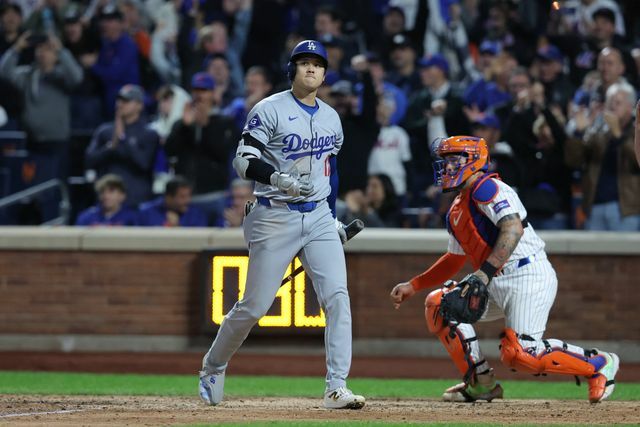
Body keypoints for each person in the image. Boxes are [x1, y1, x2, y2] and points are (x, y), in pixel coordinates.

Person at [389, 135, 619, 403]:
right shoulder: (455, 209)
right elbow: (454, 259)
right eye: (446, 161)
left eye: (454, 160)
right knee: (438, 304)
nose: (448, 167)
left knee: (520, 354)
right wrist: (414, 285)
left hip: (527, 274)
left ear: (474, 160)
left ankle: (598, 363)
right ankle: (481, 384)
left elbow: (513, 228)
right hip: (493, 279)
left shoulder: (489, 188)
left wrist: (483, 274)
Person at [199, 39, 365, 410]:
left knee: (338, 298)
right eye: (304, 62)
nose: (311, 69)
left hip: (318, 215)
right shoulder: (269, 108)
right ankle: (213, 365)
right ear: (292, 69)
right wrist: (277, 178)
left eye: (317, 64)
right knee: (254, 307)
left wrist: (332, 216)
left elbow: (331, 171)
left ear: (324, 72)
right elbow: (243, 161)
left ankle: (336, 387)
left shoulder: (331, 117)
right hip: (273, 213)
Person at [84, 84, 159, 208]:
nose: (120, 104)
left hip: (136, 200)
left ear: (139, 105)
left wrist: (123, 138)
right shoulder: (104, 131)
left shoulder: (149, 133)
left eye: (127, 100)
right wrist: (111, 147)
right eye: (119, 100)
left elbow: (143, 164)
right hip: (106, 200)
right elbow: (89, 160)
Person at [138, 175, 206, 227]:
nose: (187, 200)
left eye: (189, 196)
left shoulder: (196, 214)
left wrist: (178, 227)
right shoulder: (145, 213)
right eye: (182, 197)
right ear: (168, 198)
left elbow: (200, 240)